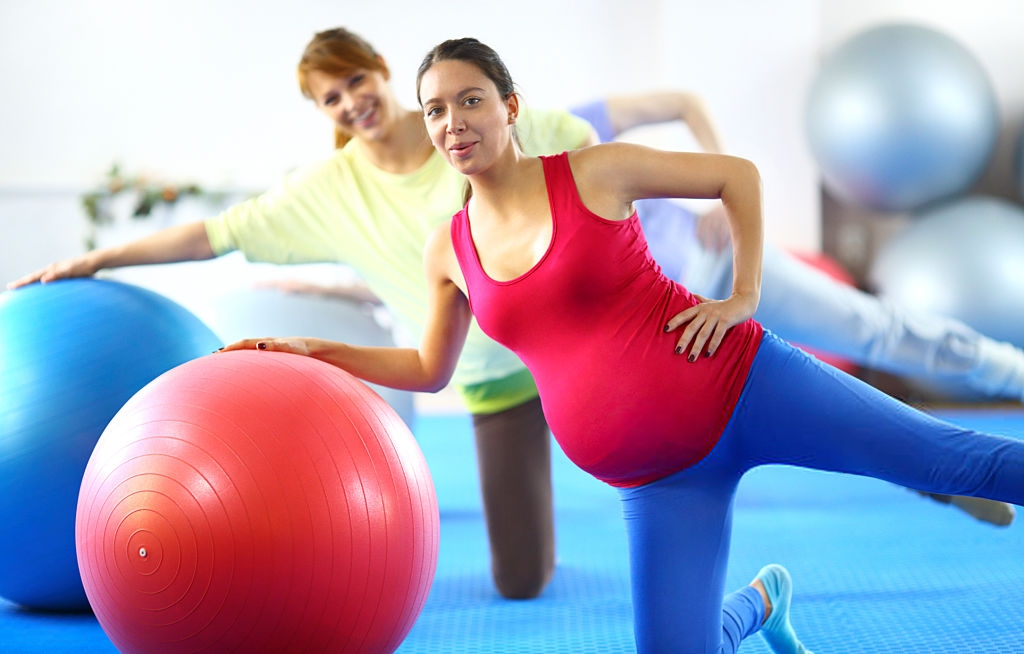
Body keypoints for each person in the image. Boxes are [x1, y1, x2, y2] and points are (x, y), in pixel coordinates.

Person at [220, 38, 1024, 654]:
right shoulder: (448, 249)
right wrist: (310, 350)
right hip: (659, 480)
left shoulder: (592, 172)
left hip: (745, 388)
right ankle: (762, 603)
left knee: (960, 463)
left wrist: (742, 295)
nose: (452, 122)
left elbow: (735, 176)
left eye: (470, 101)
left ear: (509, 106)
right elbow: (428, 369)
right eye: (435, 110)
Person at [6, 27, 595, 600]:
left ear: (381, 70)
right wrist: (98, 259)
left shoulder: (465, 118)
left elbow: (581, 142)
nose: (351, 102)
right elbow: (216, 234)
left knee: (635, 460)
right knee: (521, 583)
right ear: (321, 110)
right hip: (494, 380)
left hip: (571, 342)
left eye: (356, 80)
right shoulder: (330, 191)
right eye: (331, 97)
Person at [570, 92, 1024, 527]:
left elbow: (683, 103)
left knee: (871, 327)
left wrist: (719, 197)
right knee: (817, 415)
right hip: (674, 332)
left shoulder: (572, 128)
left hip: (717, 261)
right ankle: (937, 479)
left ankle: (1013, 373)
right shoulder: (530, 198)